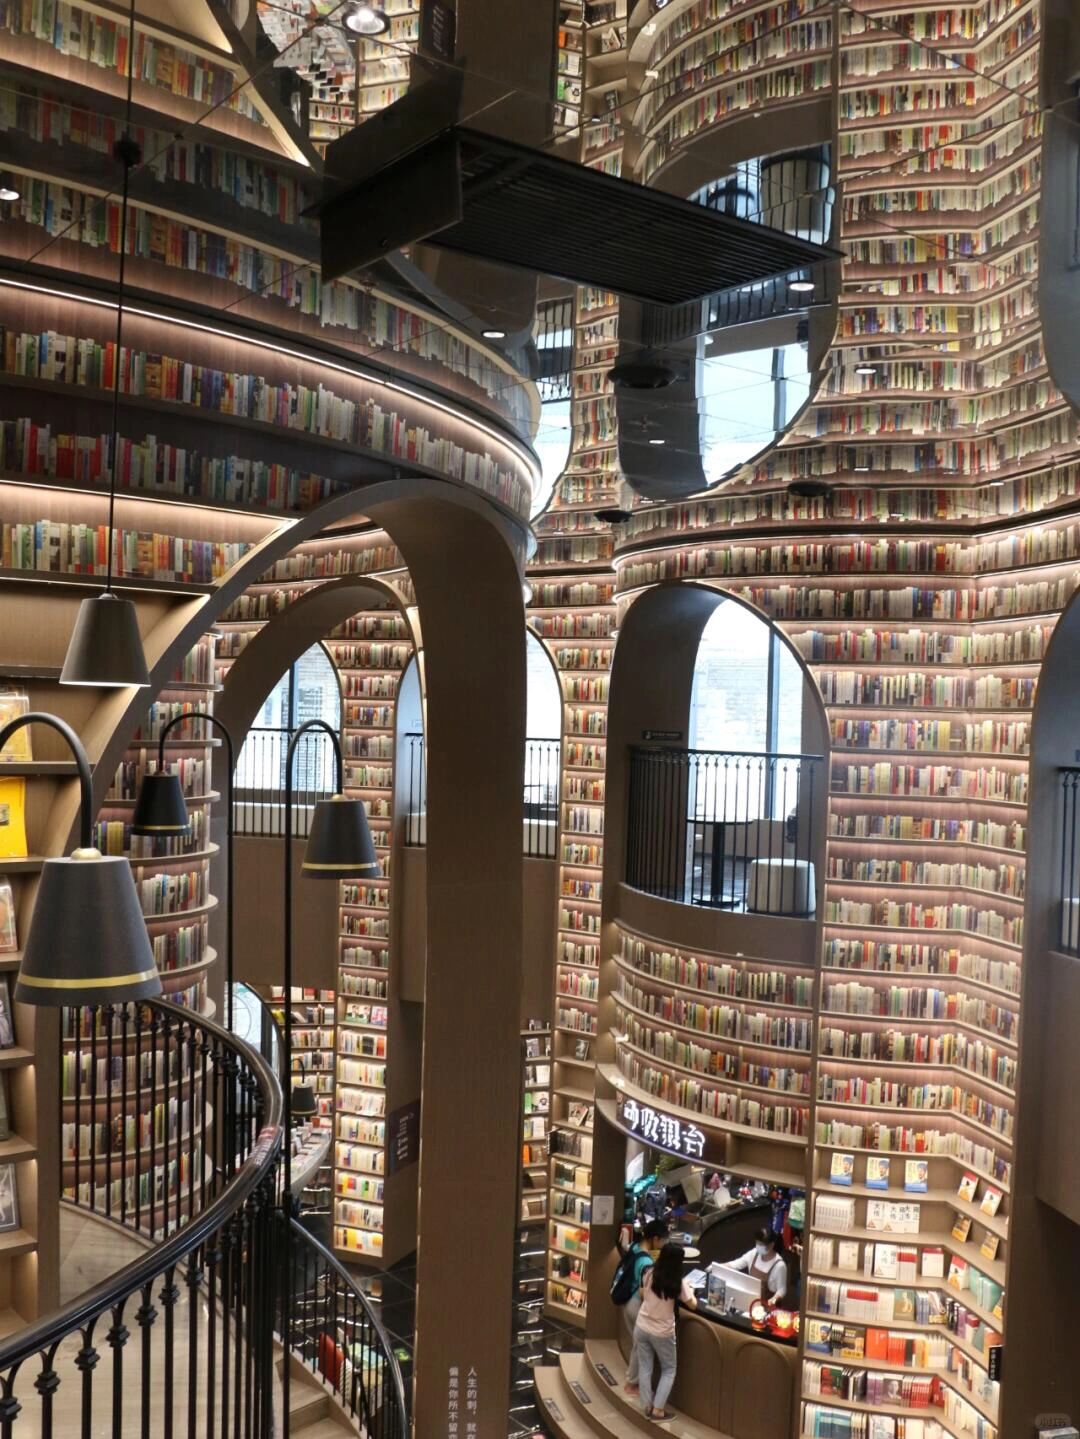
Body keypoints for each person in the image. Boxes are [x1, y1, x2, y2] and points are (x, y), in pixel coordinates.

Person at [633, 1242, 697, 1421]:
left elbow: (643, 1295)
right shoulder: (678, 1282)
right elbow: (693, 1305)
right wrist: (690, 1290)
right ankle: (658, 1410)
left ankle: (646, 1406)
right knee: (669, 1369)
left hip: (642, 1325)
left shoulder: (649, 1272)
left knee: (645, 1366)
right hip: (662, 1332)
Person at [620, 1220, 668, 1395]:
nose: (663, 1245)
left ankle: (632, 1381)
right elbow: (643, 1292)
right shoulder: (646, 1262)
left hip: (627, 1302)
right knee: (640, 1346)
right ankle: (632, 1384)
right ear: (655, 1239)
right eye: (662, 1241)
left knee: (637, 1344)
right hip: (635, 1305)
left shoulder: (635, 1247)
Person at [729, 1227, 789, 1306]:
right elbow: (736, 1264)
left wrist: (773, 1300)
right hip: (750, 1303)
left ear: (771, 1245)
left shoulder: (780, 1266)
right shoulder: (754, 1253)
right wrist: (715, 1266)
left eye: (761, 1244)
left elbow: (782, 1290)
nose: (758, 1246)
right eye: (757, 1243)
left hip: (767, 1308)